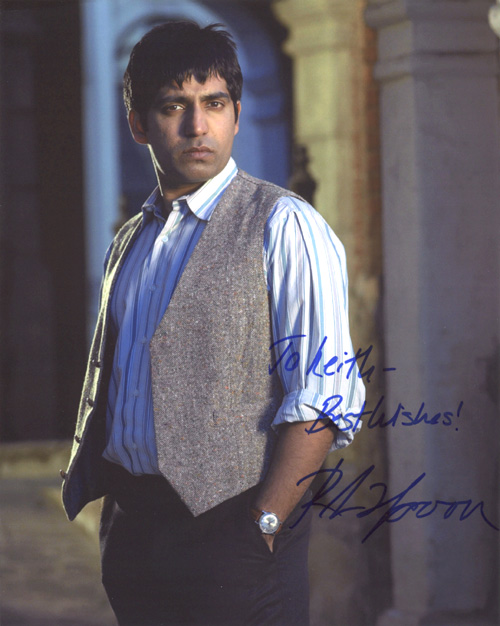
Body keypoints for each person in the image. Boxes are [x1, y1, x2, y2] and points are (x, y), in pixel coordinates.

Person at [61, 20, 365, 626]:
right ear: (139, 123)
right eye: (174, 106)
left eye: (215, 104)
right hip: (135, 536)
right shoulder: (130, 240)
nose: (198, 127)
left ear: (236, 114)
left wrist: (264, 526)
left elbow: (323, 397)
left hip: (235, 534)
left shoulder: (284, 224)